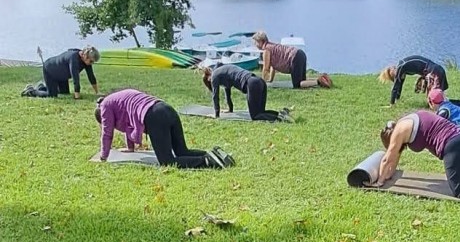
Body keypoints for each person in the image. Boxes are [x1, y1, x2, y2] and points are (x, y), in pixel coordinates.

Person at [95, 89, 233, 168]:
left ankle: (207, 161)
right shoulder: (116, 99)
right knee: (181, 151)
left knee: (167, 161)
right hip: (166, 109)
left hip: (155, 117)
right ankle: (215, 154)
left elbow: (107, 134)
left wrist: (103, 156)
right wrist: (130, 148)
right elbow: (128, 123)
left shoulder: (105, 107)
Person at [202, 63, 292, 122]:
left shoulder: (214, 76)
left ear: (209, 79)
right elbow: (227, 93)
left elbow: (215, 96)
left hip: (252, 84)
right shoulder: (223, 71)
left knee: (255, 116)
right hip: (260, 81)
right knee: (261, 112)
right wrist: (230, 109)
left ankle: (280, 119)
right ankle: (281, 113)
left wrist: (216, 115)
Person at [252, 32, 332, 89]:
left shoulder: (266, 50)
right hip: (300, 54)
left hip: (294, 58)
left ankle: (319, 81)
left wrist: (261, 84)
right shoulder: (272, 46)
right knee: (302, 81)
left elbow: (265, 69)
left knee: (298, 85)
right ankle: (323, 78)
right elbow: (273, 65)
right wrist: (270, 79)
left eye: (255, 42)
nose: (255, 44)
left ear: (260, 41)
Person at [379, 55, 448, 105]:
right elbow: (399, 85)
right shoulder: (403, 68)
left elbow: (395, 87)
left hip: (434, 71)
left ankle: (444, 105)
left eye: (395, 77)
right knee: (438, 97)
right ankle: (445, 104)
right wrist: (397, 99)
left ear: (394, 72)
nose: (398, 77)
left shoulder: (401, 66)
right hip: (437, 70)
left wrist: (391, 103)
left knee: (435, 97)